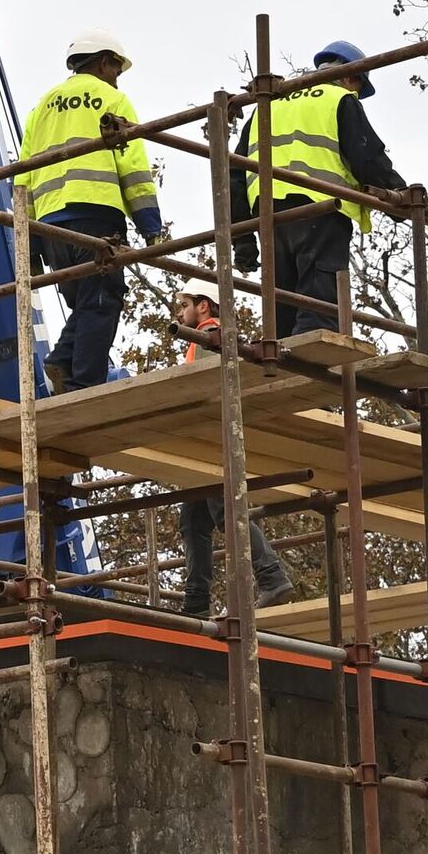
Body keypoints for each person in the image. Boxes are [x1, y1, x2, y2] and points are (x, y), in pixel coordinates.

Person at [18, 30, 164, 391]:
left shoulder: (42, 106)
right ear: (103, 62)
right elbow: (134, 168)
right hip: (96, 213)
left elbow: (23, 178)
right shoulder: (112, 99)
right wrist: (151, 227)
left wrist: (31, 242)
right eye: (117, 67)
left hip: (51, 226)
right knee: (103, 300)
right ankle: (84, 384)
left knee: (86, 303)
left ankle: (64, 362)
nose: (118, 75)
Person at [232, 40, 408, 337]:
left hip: (268, 211)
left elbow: (235, 173)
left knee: (282, 298)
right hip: (321, 206)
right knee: (319, 300)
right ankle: (314, 351)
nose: (356, 95)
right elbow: (367, 156)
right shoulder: (338, 98)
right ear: (351, 76)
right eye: (358, 89)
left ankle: (282, 352)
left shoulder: (270, 102)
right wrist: (401, 198)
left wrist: (242, 238)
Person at [173, 276, 297, 615]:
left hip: (211, 437)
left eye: (185, 305)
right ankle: (195, 601)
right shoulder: (214, 338)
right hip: (209, 437)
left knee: (224, 511)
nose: (180, 313)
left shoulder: (206, 334)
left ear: (203, 306)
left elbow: (201, 387)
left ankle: (271, 575)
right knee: (194, 520)